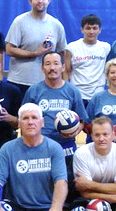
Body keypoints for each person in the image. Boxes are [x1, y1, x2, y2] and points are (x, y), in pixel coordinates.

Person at [22, 51, 87, 200]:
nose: (52, 67)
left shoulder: (72, 91)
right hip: (40, 146)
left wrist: (75, 132)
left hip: (66, 146)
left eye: (56, 63)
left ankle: (68, 207)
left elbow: (82, 121)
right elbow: (24, 119)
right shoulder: (34, 91)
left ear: (63, 67)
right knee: (42, 183)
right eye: (48, 64)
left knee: (68, 182)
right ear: (42, 68)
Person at [5, 0, 67, 94]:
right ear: (30, 1)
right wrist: (35, 53)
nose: (40, 1)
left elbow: (63, 53)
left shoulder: (56, 25)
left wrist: (63, 80)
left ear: (49, 0)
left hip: (47, 83)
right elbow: (9, 50)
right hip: (19, 82)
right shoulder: (19, 22)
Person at [63, 14, 111, 104]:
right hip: (77, 94)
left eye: (94, 28)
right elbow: (66, 71)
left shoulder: (106, 48)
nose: (91, 31)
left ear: (100, 30)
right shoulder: (71, 48)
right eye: (88, 28)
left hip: (98, 95)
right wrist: (66, 92)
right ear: (82, 30)